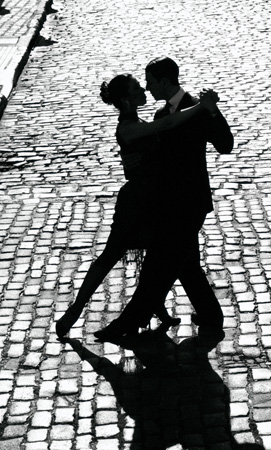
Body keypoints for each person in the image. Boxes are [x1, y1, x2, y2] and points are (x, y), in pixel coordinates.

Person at [55, 73, 218, 339]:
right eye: (136, 88)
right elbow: (168, 124)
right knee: (110, 256)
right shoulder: (127, 128)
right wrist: (201, 106)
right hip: (136, 205)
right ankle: (74, 311)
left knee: (161, 256)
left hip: (155, 201)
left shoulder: (138, 121)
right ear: (126, 100)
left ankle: (156, 308)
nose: (143, 89)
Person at [93, 57, 234, 342]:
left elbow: (226, 144)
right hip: (169, 204)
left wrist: (213, 111)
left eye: (150, 81)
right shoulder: (160, 115)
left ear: (164, 81)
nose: (146, 86)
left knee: (159, 265)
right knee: (186, 264)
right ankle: (210, 314)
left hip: (189, 203)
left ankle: (127, 323)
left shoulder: (196, 107)